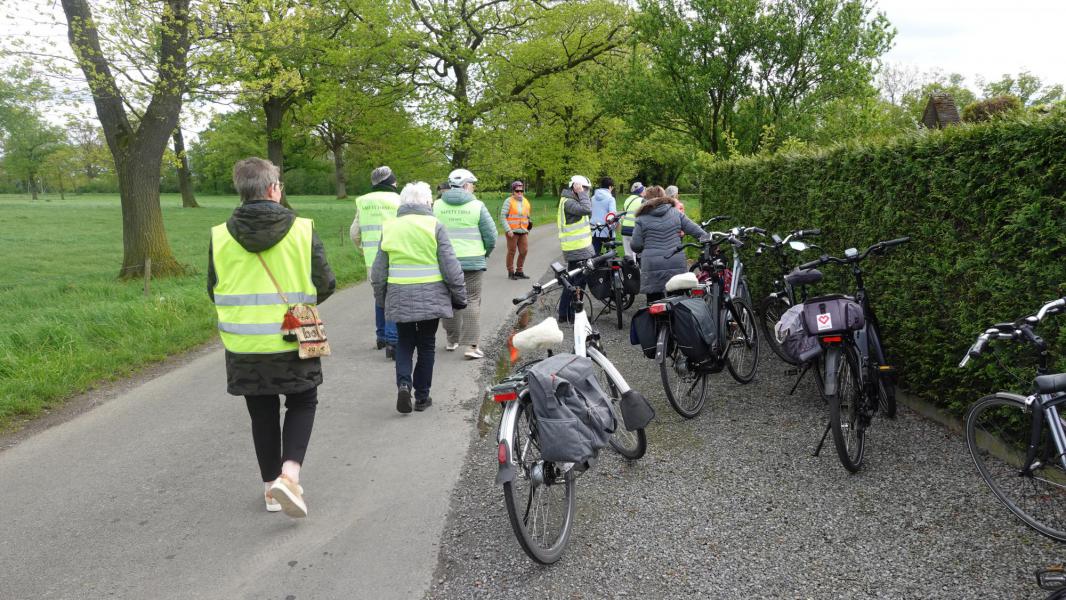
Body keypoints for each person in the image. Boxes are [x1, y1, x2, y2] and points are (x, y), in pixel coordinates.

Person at [208, 157, 336, 519]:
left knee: (260, 411)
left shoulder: (220, 235)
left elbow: (212, 288)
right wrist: (298, 307)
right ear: (272, 189)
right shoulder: (302, 229)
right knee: (303, 400)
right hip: (294, 336)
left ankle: (270, 489)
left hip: (244, 344)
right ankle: (289, 476)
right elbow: (325, 283)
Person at [373, 182, 467, 413]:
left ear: (403, 202)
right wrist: (459, 295)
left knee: (404, 342)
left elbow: (378, 272)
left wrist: (381, 299)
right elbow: (450, 267)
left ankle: (404, 384)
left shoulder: (390, 227)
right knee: (426, 344)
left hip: (399, 294)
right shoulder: (435, 226)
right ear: (428, 202)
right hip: (431, 296)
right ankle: (422, 397)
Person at [435, 168, 498, 359]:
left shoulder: (436, 206)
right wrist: (484, 253)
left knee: (449, 299)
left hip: (446, 262)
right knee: (471, 300)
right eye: (472, 184)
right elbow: (491, 235)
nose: (473, 187)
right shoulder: (477, 205)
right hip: (472, 261)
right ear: (465, 185)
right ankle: (471, 346)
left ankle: (452, 340)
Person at [350, 166, 401, 359]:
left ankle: (380, 336)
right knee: (393, 299)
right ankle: (392, 341)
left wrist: (364, 250)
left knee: (380, 297)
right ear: (390, 182)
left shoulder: (363, 201)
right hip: (396, 257)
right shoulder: (400, 200)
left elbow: (354, 233)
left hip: (372, 259)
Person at [630, 185, 707, 304]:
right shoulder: (676, 213)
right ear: (664, 197)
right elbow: (697, 231)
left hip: (652, 264)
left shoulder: (641, 218)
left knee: (654, 303)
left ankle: (656, 322)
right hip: (675, 260)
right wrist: (711, 243)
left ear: (646, 200)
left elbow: (636, 245)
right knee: (678, 301)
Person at [556, 174, 595, 323]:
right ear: (575, 187)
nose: (586, 192)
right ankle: (573, 315)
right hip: (577, 249)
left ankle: (564, 314)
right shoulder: (569, 203)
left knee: (571, 282)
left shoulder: (570, 200)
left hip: (578, 248)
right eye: (584, 188)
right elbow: (586, 209)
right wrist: (581, 193)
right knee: (578, 283)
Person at [500, 180, 533, 280]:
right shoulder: (508, 201)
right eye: (517, 191)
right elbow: (503, 217)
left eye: (521, 191)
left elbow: (527, 216)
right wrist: (508, 229)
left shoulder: (526, 202)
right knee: (512, 251)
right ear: (513, 191)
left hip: (523, 231)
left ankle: (519, 271)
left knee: (524, 251)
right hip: (512, 231)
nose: (519, 193)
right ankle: (511, 272)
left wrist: (529, 224)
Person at [590, 176, 617, 256]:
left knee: (595, 254)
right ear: (610, 187)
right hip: (607, 230)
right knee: (610, 255)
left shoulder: (593, 198)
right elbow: (612, 215)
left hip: (594, 229)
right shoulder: (610, 198)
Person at [620, 182, 645, 258]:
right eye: (643, 189)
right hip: (635, 230)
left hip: (625, 229)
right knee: (637, 254)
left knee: (628, 254)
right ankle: (637, 269)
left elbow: (624, 212)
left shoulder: (627, 200)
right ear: (640, 191)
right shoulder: (642, 201)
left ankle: (628, 269)